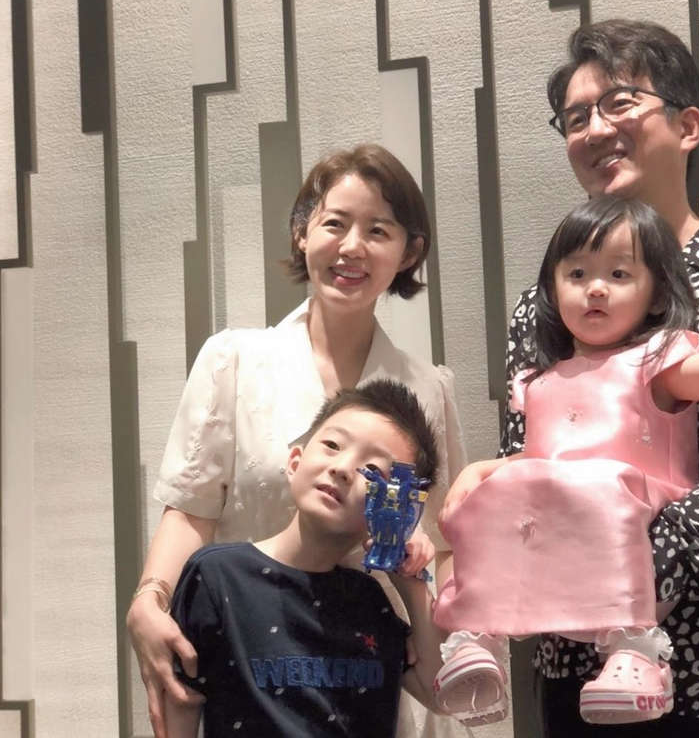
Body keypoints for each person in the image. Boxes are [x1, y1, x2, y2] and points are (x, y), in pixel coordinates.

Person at [501, 19, 699, 736]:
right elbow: (526, 459)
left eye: (619, 103)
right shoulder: (544, 305)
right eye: (576, 117)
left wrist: (628, 564)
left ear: (687, 125)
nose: (596, 129)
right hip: (574, 668)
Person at [126, 144, 468, 738]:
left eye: (378, 230)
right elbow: (191, 510)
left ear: (408, 252)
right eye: (335, 223)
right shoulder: (235, 360)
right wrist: (148, 599)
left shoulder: (427, 389)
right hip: (253, 675)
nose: (352, 247)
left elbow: (442, 545)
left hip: (375, 686)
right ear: (302, 233)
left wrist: (433, 618)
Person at [433, 193, 699, 727]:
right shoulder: (540, 380)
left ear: (656, 294)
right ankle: (478, 636)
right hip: (562, 526)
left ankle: (636, 651)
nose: (596, 288)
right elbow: (538, 460)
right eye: (578, 273)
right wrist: (482, 472)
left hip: (636, 513)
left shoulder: (657, 361)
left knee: (602, 488)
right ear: (553, 288)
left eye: (619, 274)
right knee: (488, 495)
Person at [163, 380, 446, 737]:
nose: (343, 468)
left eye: (373, 471)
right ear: (295, 461)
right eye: (332, 445)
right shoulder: (218, 576)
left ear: (398, 507)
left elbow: (439, 691)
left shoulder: (371, 601)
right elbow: (180, 699)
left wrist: (411, 582)